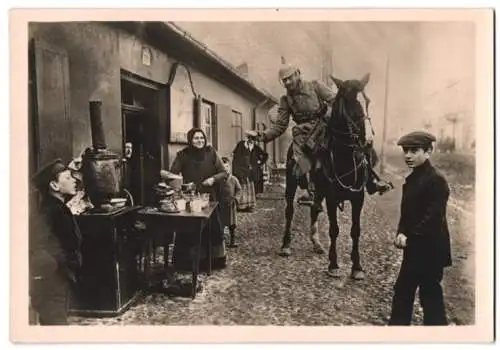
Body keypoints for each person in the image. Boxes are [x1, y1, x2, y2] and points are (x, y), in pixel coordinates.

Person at [254, 59, 392, 211]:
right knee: (300, 160)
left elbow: (336, 100)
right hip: (304, 134)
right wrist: (261, 135)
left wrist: (344, 115)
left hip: (325, 126)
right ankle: (311, 192)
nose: (288, 82)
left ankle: (372, 180)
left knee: (356, 145)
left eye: (290, 77)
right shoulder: (285, 100)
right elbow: (280, 125)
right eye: (284, 80)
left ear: (298, 74)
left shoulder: (315, 86)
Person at [388, 131, 452, 326]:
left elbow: (433, 217)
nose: (408, 155)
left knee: (430, 297)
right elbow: (407, 214)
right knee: (402, 293)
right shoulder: (412, 180)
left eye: (414, 151)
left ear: (429, 151)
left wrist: (410, 236)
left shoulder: (436, 180)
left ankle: (438, 339)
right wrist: (401, 231)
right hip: (414, 249)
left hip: (431, 250)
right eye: (406, 151)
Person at [166, 128, 228, 271]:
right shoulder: (182, 155)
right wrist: (180, 183)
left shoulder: (211, 153)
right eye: (196, 138)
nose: (199, 141)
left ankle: (214, 262)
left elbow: (223, 173)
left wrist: (213, 179)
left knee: (212, 229)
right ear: (190, 140)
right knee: (190, 230)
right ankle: (189, 263)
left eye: (201, 138)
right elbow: (173, 174)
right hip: (191, 198)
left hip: (209, 198)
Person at [29, 158, 83, 325]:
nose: (74, 180)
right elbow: (39, 245)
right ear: (54, 186)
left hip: (60, 277)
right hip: (52, 281)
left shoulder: (58, 207)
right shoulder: (48, 211)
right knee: (55, 324)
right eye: (67, 178)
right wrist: (61, 264)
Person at [231, 131, 259, 211]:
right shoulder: (241, 144)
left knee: (249, 187)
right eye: (251, 138)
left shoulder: (254, 147)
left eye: (254, 139)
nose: (252, 140)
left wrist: (258, 163)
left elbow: (261, 156)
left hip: (249, 171)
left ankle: (249, 206)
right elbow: (235, 157)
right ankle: (241, 206)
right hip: (240, 169)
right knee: (241, 186)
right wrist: (236, 169)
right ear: (248, 138)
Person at [220, 157, 242, 248]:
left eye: (227, 167)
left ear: (230, 167)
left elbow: (239, 190)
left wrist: (236, 199)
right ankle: (220, 241)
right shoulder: (219, 180)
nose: (225, 169)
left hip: (231, 204)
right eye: (223, 167)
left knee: (232, 224)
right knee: (220, 223)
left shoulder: (234, 179)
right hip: (221, 205)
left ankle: (232, 241)